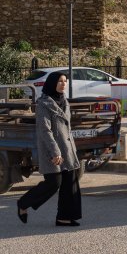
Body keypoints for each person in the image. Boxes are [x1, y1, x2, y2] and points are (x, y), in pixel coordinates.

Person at [16, 71, 82, 227]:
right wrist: (55, 152)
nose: (63, 84)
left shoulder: (65, 101)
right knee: (53, 182)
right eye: (60, 81)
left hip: (68, 149)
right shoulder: (43, 104)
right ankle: (23, 204)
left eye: (65, 81)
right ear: (52, 83)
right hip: (53, 150)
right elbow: (45, 130)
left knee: (70, 182)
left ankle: (64, 218)